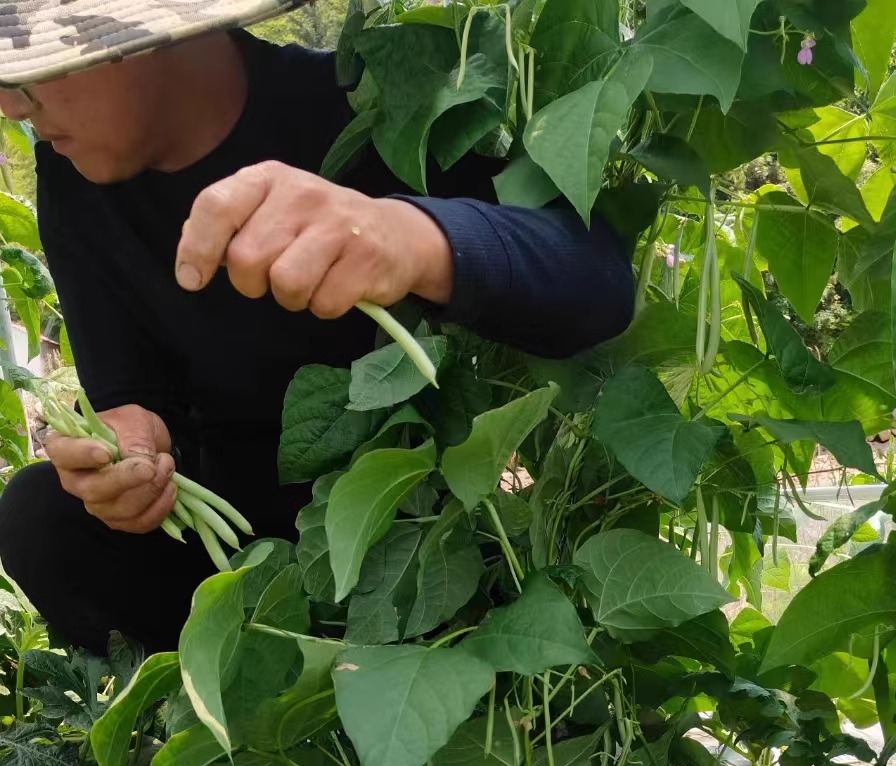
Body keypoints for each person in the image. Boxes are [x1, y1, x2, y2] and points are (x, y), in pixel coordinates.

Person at [0, 0, 635, 655]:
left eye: (31, 72)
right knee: (40, 517)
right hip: (242, 560)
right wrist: (127, 449)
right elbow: (130, 387)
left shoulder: (365, 109)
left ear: (145, 32)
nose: (11, 107)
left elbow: (599, 281)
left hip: (425, 540)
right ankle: (231, 717)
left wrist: (410, 237)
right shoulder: (78, 178)